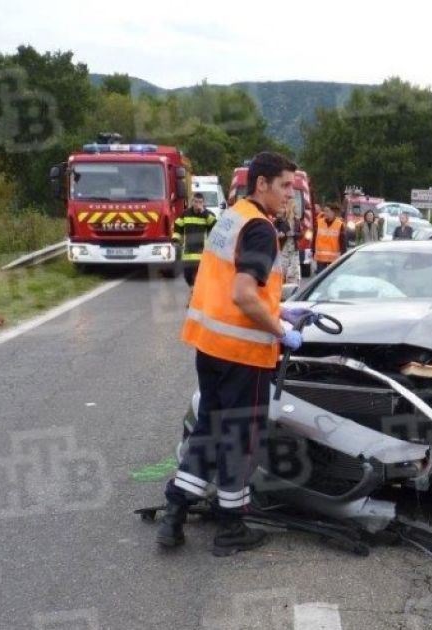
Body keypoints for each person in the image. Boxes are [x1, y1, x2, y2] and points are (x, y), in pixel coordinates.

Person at [158, 152, 313, 556]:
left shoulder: (230, 218)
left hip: (211, 348)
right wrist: (281, 329)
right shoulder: (261, 229)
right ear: (261, 184)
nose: (289, 197)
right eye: (284, 187)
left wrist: (279, 307)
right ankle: (231, 528)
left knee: (209, 430)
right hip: (244, 354)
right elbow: (244, 294)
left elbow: (234, 288)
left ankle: (174, 513)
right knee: (240, 439)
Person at [173, 193, 217, 287]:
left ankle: (195, 296)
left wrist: (204, 212)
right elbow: (177, 226)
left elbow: (215, 226)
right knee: (188, 277)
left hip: (202, 254)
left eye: (200, 202)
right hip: (188, 254)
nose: (198, 204)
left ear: (203, 203)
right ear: (192, 202)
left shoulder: (208, 214)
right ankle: (193, 291)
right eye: (196, 202)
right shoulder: (186, 214)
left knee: (200, 280)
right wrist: (176, 240)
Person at [313, 202, 346, 273]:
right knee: (321, 279)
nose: (325, 213)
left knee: (332, 278)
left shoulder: (339, 224)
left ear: (333, 212)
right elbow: (314, 237)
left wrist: (344, 254)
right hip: (320, 257)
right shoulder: (319, 222)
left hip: (334, 258)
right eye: (324, 211)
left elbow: (342, 241)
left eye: (327, 211)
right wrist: (312, 250)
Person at [275, 199, 302, 284]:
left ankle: (292, 290)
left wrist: (294, 233)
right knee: (283, 271)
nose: (296, 210)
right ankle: (281, 289)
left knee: (293, 272)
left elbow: (301, 234)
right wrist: (279, 234)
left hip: (294, 249)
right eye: (295, 207)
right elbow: (273, 230)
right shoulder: (280, 220)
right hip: (283, 249)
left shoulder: (297, 221)